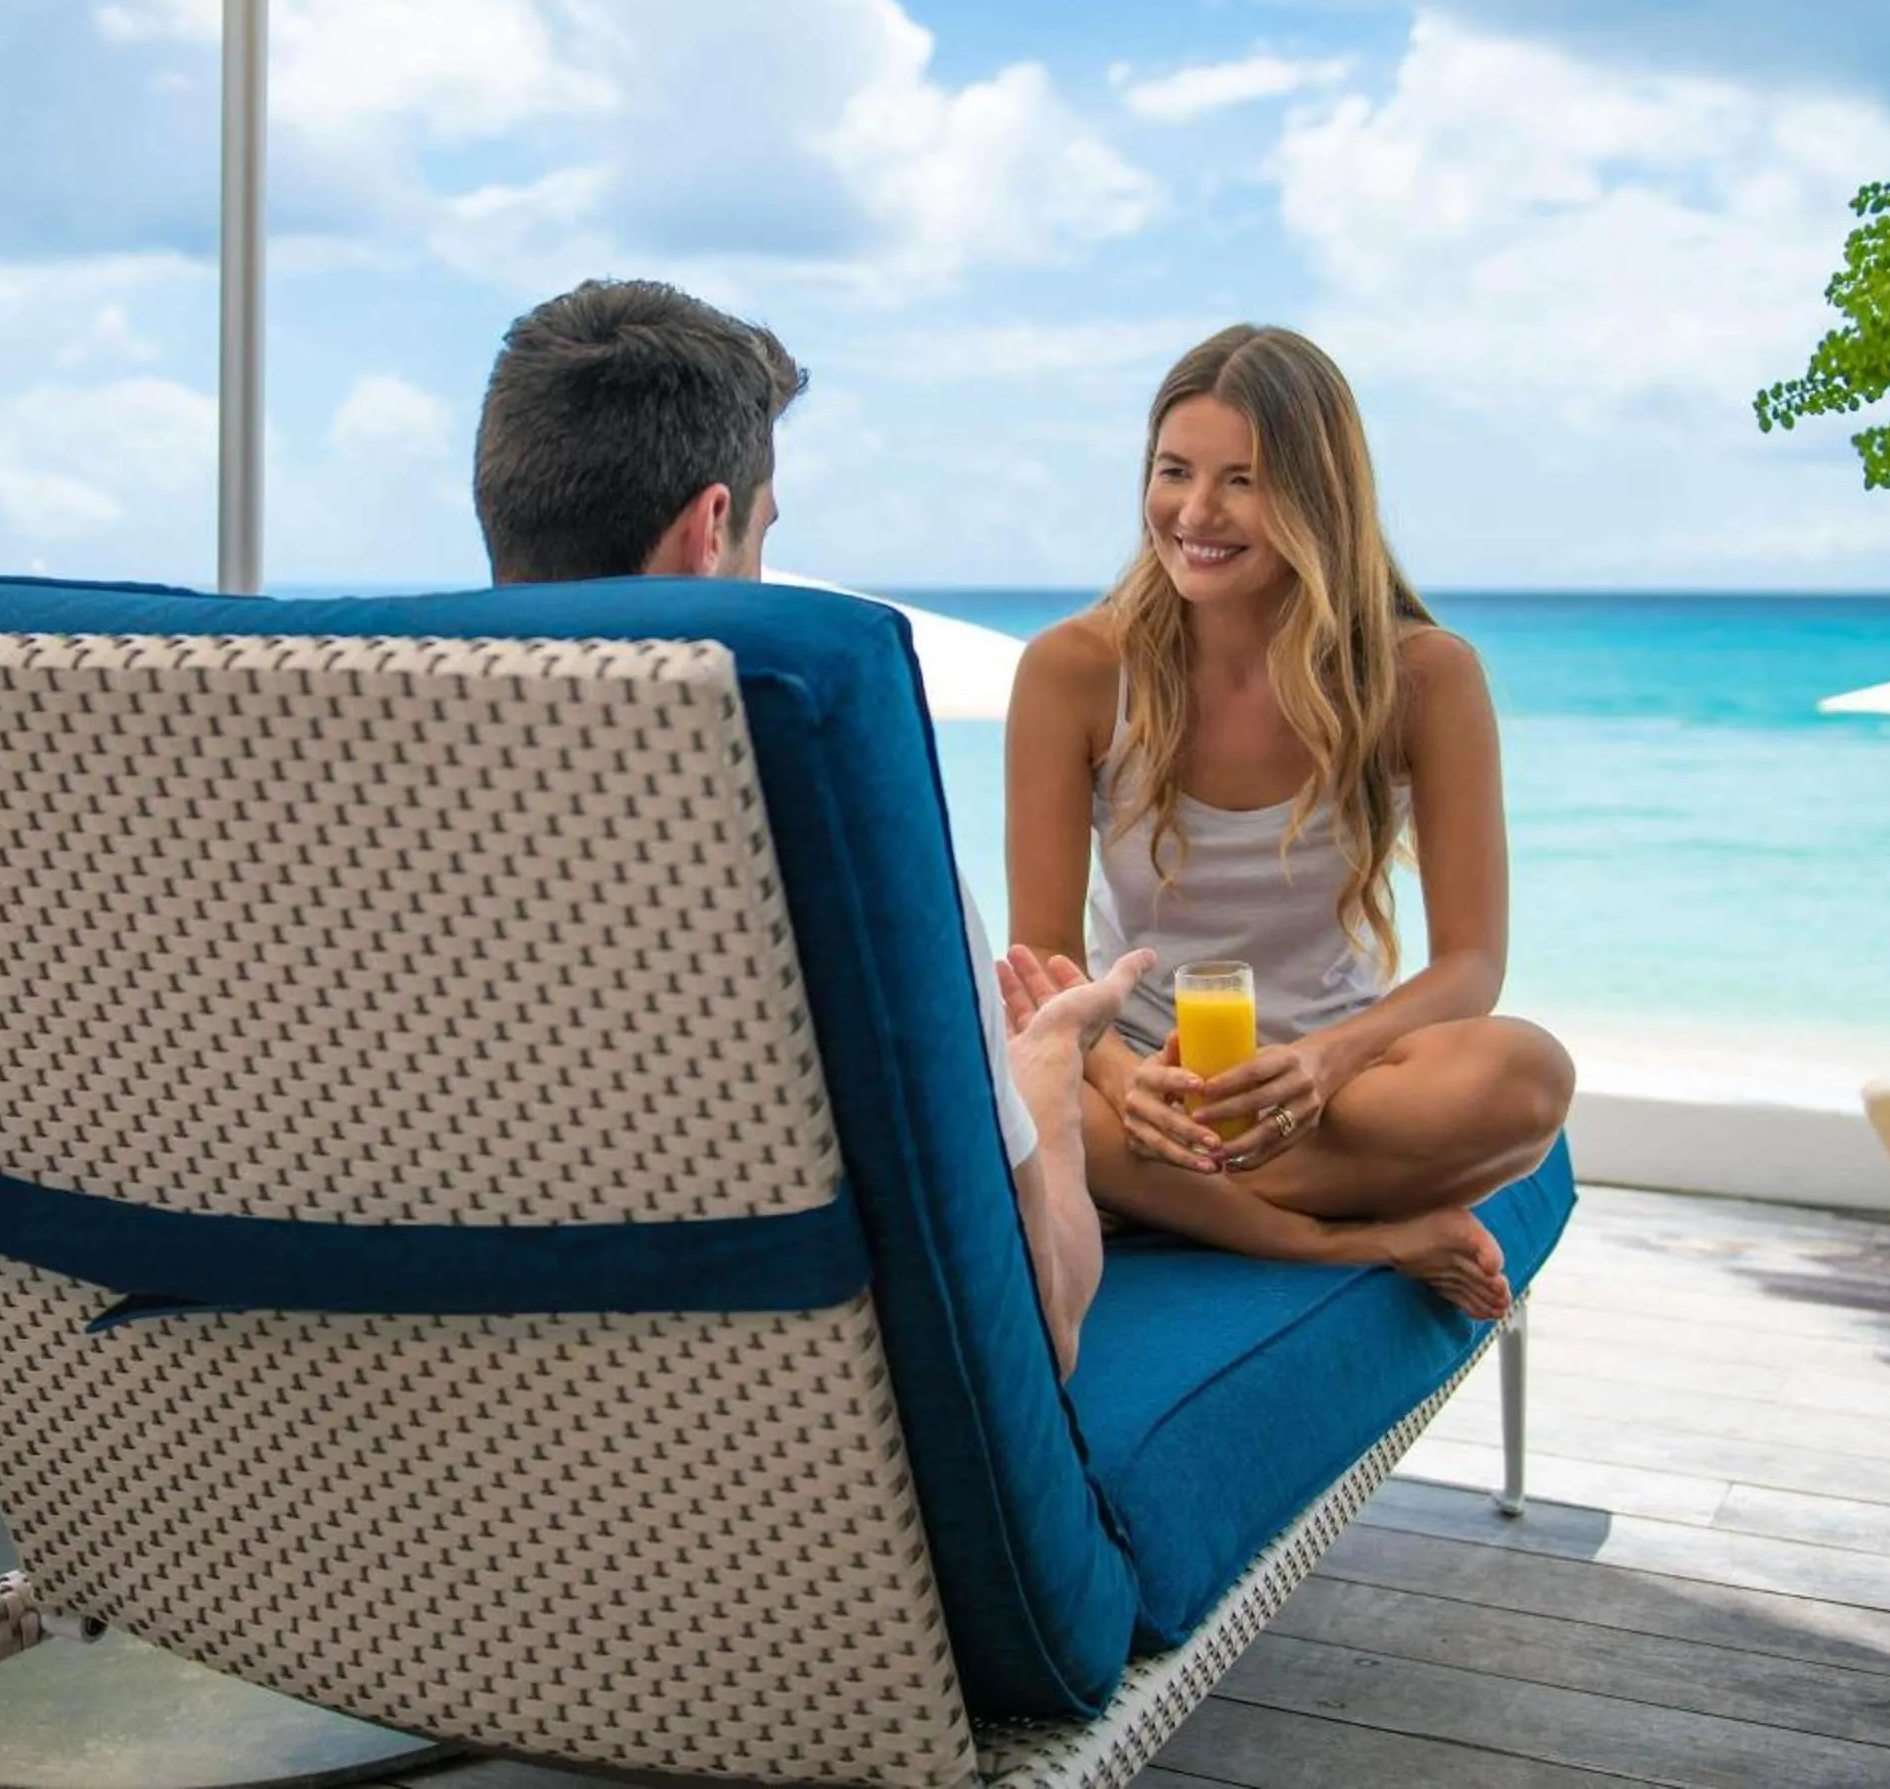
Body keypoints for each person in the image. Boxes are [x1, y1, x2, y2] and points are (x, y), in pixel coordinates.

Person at [473, 278, 1145, 1375]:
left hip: (399, 1461)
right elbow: (1037, 1319)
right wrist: (1054, 1076)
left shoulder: (335, 812)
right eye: (762, 532)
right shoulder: (829, 809)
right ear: (712, 528)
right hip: (793, 1483)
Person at [1005, 325, 1575, 1321]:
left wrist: (1326, 1061)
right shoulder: (1074, 668)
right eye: (1175, 471)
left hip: (1333, 1078)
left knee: (1524, 1080)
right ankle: (1339, 1239)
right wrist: (1121, 1075)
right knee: (996, 1086)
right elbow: (1045, 956)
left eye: (1243, 481)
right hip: (1141, 1080)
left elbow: (1472, 966)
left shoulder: (1425, 677)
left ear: (1318, 497)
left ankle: (1166, 1203)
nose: (1196, 511)